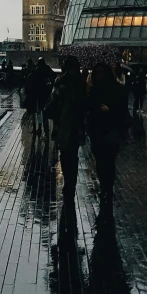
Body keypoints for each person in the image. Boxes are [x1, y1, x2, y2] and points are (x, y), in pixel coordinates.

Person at [87, 62, 124, 209]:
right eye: (97, 73)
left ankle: (107, 187)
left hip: (110, 130)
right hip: (97, 130)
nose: (99, 76)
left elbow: (121, 110)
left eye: (102, 73)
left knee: (108, 161)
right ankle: (105, 186)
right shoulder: (94, 89)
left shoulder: (115, 89)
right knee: (101, 161)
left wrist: (110, 110)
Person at [51, 56, 87, 203]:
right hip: (66, 124)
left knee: (70, 154)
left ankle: (70, 183)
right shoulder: (65, 82)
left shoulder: (76, 82)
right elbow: (54, 99)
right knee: (67, 155)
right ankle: (69, 181)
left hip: (72, 124)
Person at [25, 58, 57, 137]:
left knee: (39, 112)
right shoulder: (47, 68)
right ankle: (46, 131)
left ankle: (39, 128)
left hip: (37, 94)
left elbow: (31, 81)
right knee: (45, 113)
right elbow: (54, 76)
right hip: (46, 94)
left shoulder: (36, 70)